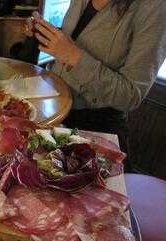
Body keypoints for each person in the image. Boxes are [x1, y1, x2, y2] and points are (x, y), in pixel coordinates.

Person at [25, 0, 166, 158]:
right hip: (56, 112)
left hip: (98, 126)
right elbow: (81, 37)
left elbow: (131, 95)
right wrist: (47, 32)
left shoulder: (154, 7)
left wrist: (74, 57)